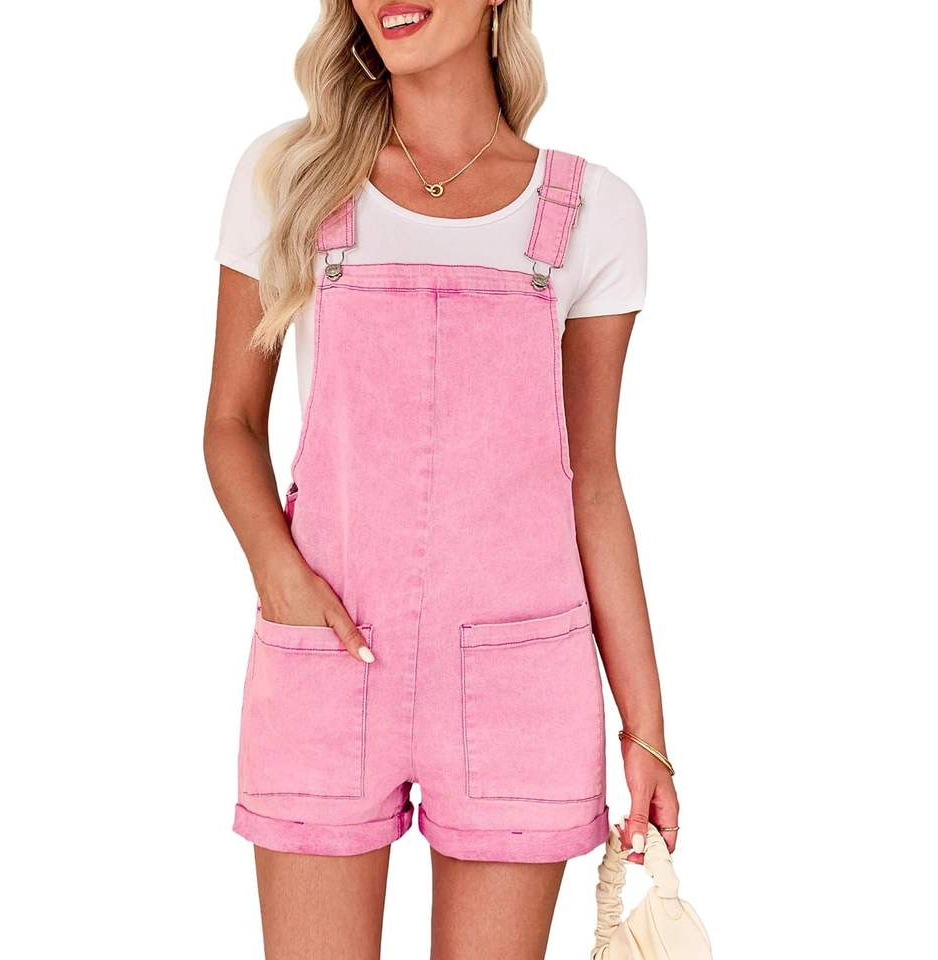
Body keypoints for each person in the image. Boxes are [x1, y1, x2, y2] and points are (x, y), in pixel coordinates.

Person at [205, 2, 678, 957]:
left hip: (521, 681)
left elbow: (591, 479)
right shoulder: (289, 179)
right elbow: (232, 424)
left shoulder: (593, 212)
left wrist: (646, 729)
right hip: (329, 656)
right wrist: (281, 577)